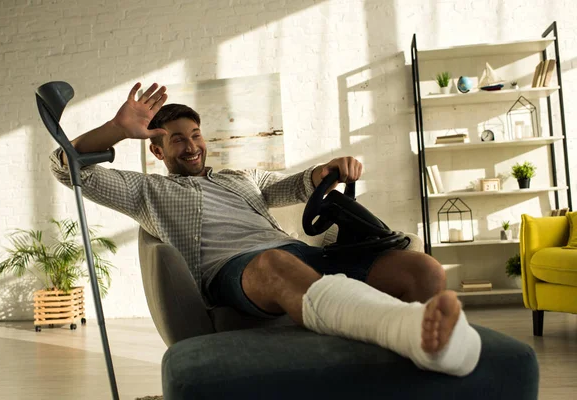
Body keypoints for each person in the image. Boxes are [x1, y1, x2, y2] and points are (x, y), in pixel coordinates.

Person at [50, 82, 481, 377]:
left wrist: (328, 169)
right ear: (157, 148)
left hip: (304, 256)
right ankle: (404, 329)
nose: (191, 146)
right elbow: (66, 168)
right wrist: (115, 131)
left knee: (422, 270)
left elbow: (290, 185)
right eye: (177, 139)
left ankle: (427, 357)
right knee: (275, 262)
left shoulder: (240, 178)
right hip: (237, 273)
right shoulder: (147, 191)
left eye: (195, 135)